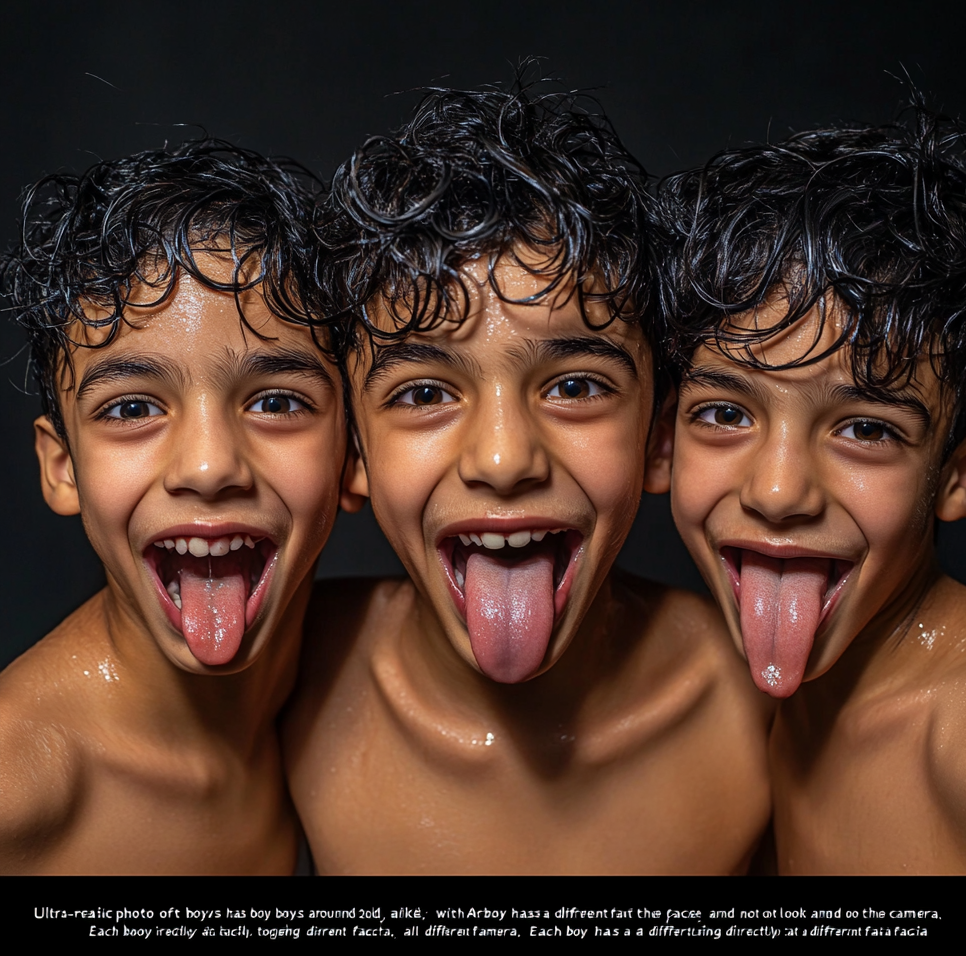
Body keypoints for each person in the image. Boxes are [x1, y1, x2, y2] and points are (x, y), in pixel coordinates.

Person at [284, 78, 774, 874]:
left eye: (576, 386)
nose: (505, 459)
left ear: (658, 437)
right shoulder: (288, 679)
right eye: (425, 393)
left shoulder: (764, 703)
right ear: (353, 455)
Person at [659, 104, 966, 873]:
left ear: (963, 474)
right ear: (662, 441)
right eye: (725, 413)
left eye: (866, 429)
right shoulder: (761, 719)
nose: (781, 488)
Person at [0, 141, 347, 873]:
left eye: (277, 402)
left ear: (355, 453)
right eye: (131, 408)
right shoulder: (22, 787)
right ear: (62, 468)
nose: (209, 465)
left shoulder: (359, 673)